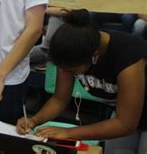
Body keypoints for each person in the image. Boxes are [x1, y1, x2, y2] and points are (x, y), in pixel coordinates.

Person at [16, 9, 147, 154]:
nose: (67, 73)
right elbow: (59, 99)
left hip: (128, 117)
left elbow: (125, 124)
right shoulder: (71, 51)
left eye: (72, 71)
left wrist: (69, 133)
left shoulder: (128, 58)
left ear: (94, 56)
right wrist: (34, 120)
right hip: (124, 113)